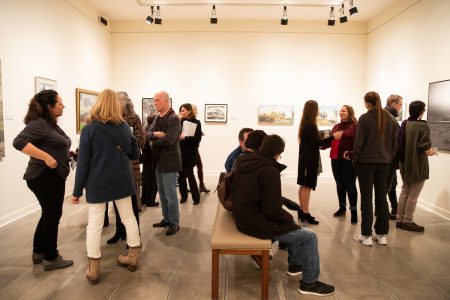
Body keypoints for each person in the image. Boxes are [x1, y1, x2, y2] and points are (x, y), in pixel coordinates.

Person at [231, 134, 335, 296]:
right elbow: (272, 210)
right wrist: (289, 220)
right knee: (309, 236)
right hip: (255, 222)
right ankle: (309, 283)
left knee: (290, 223)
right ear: (278, 154)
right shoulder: (269, 170)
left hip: (243, 218)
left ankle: (295, 265)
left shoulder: (243, 161)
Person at [72, 89, 141, 284]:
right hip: (122, 180)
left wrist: (77, 191)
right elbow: (135, 154)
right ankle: (133, 257)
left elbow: (83, 164)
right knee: (128, 218)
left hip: (98, 183)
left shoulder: (89, 130)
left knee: (94, 225)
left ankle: (94, 269)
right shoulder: (125, 127)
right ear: (117, 105)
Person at [13, 89, 73, 271]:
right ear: (49, 106)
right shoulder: (38, 123)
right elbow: (19, 142)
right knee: (52, 215)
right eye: (60, 103)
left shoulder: (50, 124)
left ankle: (38, 252)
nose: (63, 106)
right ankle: (51, 257)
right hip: (43, 176)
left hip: (53, 176)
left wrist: (66, 154)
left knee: (48, 214)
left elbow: (58, 143)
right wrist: (46, 157)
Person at [353, 91, 398, 246]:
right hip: (384, 164)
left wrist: (355, 162)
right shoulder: (390, 119)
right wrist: (388, 158)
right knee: (381, 198)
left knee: (366, 199)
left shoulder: (364, 119)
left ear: (367, 103)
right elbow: (394, 145)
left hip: (366, 164)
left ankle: (366, 235)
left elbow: (358, 144)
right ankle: (381, 234)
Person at [106, 92, 145, 244]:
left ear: (125, 104)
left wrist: (126, 143)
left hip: (130, 164)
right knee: (117, 200)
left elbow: (141, 140)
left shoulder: (133, 118)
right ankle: (119, 231)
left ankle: (135, 235)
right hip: (114, 165)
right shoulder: (110, 119)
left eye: (118, 102)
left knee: (132, 201)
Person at [297, 100, 341, 224]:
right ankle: (305, 212)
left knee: (303, 185)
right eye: (317, 108)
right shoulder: (309, 125)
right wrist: (333, 137)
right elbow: (317, 143)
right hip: (308, 160)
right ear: (313, 110)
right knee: (307, 186)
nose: (318, 111)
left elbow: (313, 141)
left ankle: (302, 210)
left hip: (305, 159)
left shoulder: (305, 124)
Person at [397, 101, 438, 231]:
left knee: (405, 192)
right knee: (413, 195)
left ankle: (400, 219)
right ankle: (408, 221)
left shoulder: (405, 124)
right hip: (417, 165)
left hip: (404, 164)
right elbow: (424, 146)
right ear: (421, 112)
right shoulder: (422, 126)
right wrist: (431, 152)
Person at [148, 91, 182, 236]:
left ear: (166, 101)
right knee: (161, 193)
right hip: (158, 161)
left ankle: (174, 222)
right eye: (154, 101)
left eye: (157, 100)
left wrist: (152, 142)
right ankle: (166, 218)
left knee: (170, 194)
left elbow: (169, 140)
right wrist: (156, 134)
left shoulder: (173, 118)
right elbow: (147, 132)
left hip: (169, 161)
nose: (154, 103)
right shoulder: (157, 118)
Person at [328, 105, 358, 224]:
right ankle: (342, 207)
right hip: (335, 158)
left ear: (350, 112)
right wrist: (321, 144)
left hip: (348, 159)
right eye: (340, 110)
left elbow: (357, 140)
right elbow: (331, 140)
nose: (341, 112)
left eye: (343, 110)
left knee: (350, 185)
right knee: (339, 184)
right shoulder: (336, 126)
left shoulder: (355, 126)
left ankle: (354, 212)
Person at [178, 103, 202, 205]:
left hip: (191, 152)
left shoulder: (196, 122)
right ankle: (184, 196)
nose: (181, 112)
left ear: (189, 111)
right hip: (180, 151)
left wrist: (185, 138)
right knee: (181, 175)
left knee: (189, 174)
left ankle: (196, 198)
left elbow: (198, 138)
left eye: (183, 110)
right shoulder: (179, 122)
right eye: (180, 111)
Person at [384, 95, 403, 219]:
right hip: (388, 159)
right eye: (400, 104)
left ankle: (394, 208)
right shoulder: (390, 118)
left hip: (387, 158)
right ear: (394, 104)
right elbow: (394, 141)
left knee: (391, 184)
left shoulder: (385, 115)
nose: (401, 107)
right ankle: (381, 210)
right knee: (385, 186)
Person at [141, 113, 159, 207]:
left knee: (146, 179)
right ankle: (150, 201)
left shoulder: (145, 130)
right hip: (150, 158)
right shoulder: (152, 132)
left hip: (146, 158)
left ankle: (144, 199)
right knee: (152, 181)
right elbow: (153, 145)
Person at [191, 104, 210, 193]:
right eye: (196, 110)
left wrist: (199, 132)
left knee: (199, 166)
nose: (197, 112)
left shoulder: (196, 122)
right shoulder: (191, 121)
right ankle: (200, 186)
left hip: (194, 148)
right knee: (191, 168)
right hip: (191, 148)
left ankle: (201, 185)